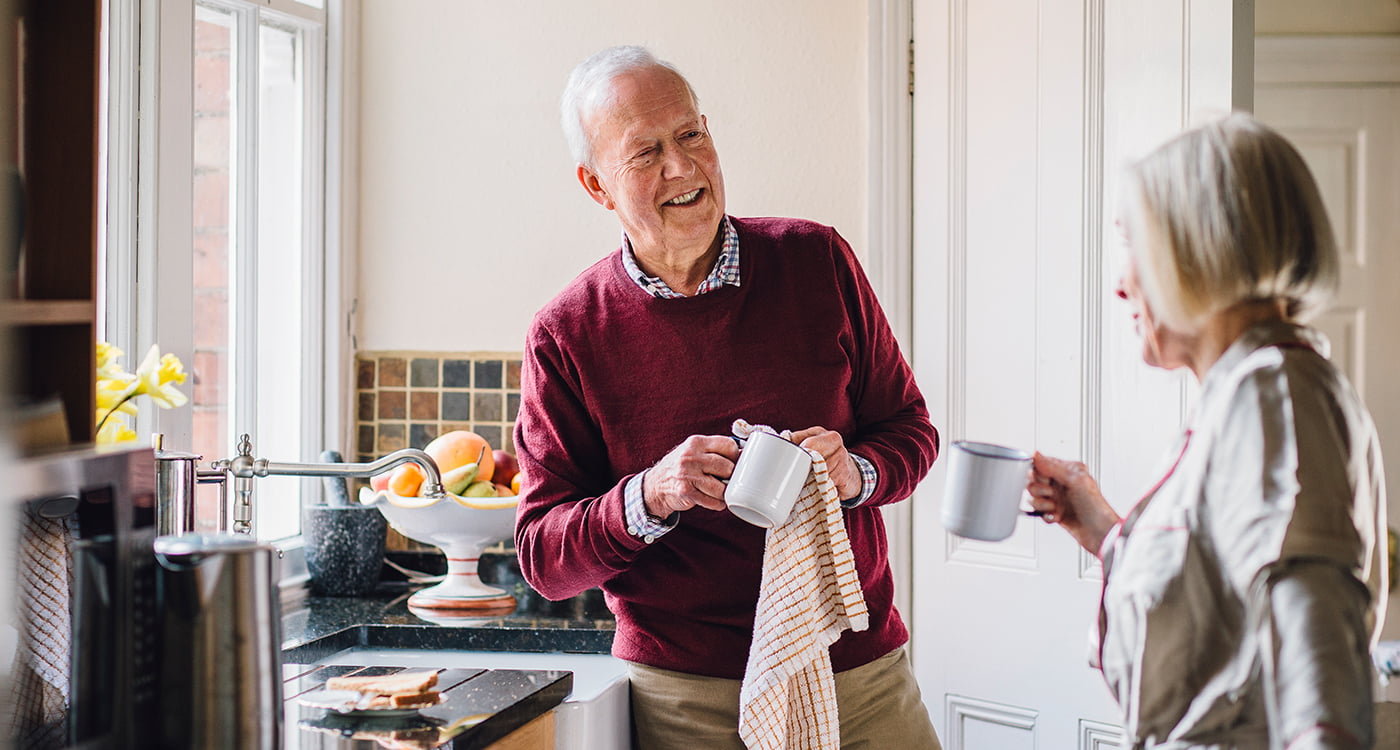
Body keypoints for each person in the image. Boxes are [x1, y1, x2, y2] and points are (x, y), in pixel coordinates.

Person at [512, 45, 942, 750]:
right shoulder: (566, 334)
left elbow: (910, 431)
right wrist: (648, 496)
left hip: (858, 677)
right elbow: (543, 557)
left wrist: (853, 471)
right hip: (686, 700)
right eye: (645, 153)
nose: (681, 168)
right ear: (597, 185)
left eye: (691, 135)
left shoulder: (818, 261)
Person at [1027, 114, 1388, 749]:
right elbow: (1223, 616)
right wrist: (1106, 532)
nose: (1120, 284)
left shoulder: (1273, 396)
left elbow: (1316, 664)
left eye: (1132, 243)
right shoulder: (1248, 394)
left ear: (1199, 246)